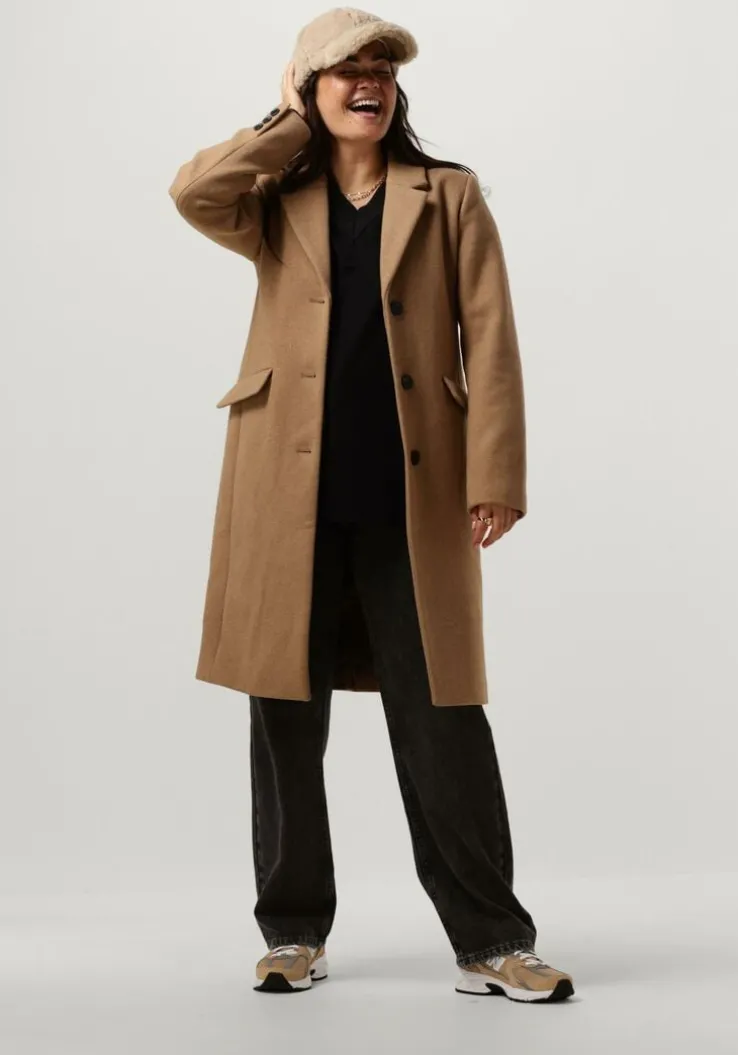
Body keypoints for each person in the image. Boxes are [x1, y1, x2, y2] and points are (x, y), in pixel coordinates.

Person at [168, 7, 575, 1001]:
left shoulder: (448, 193)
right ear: (309, 89)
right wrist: (283, 124)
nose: (369, 84)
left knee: (443, 716)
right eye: (346, 70)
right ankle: (291, 931)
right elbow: (192, 191)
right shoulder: (275, 195)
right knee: (284, 717)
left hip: (412, 496)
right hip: (285, 496)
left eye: (382, 70)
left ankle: (492, 940)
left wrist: (496, 474)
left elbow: (492, 336)